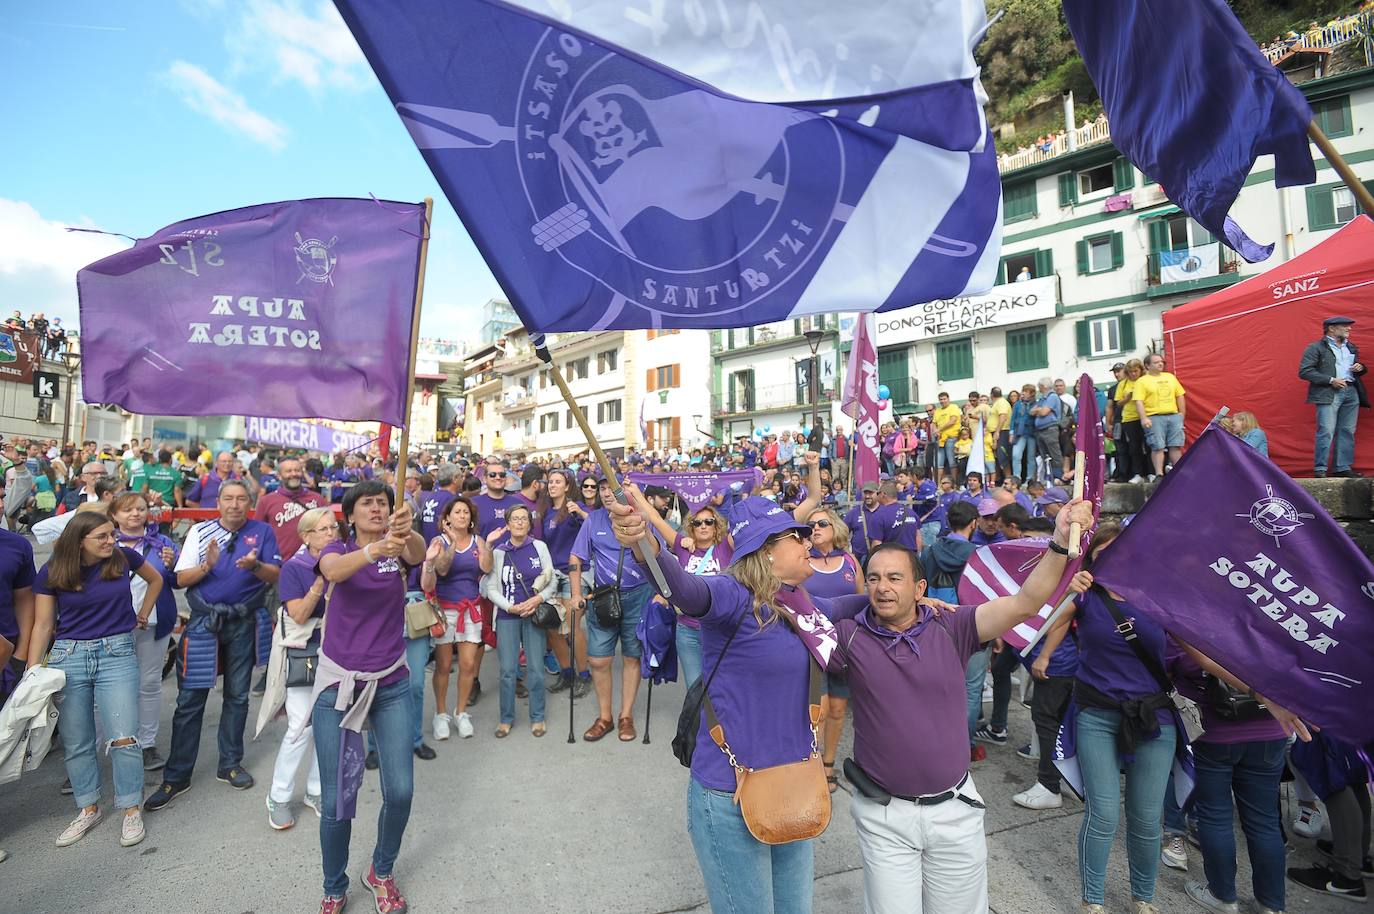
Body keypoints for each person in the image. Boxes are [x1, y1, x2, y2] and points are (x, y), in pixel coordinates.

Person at [828, 498, 1095, 914]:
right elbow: (795, 609)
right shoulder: (849, 636)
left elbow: (1026, 602)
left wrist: (1060, 542)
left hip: (955, 812)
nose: (883, 587)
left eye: (895, 578)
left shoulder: (953, 624)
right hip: (884, 817)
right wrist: (857, 602)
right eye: (875, 578)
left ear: (920, 588)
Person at [1059, 526, 1309, 914]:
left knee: (1145, 818)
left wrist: (1263, 694)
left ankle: (1143, 899)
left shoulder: (1159, 601)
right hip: (1096, 717)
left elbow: (1207, 657)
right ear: (1091, 561)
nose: (1114, 558)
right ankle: (1092, 900)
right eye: (1102, 553)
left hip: (1154, 720)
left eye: (1120, 550)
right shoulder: (1083, 599)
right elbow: (1037, 622)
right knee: (1103, 812)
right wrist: (1066, 587)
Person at [608, 492, 837, 914]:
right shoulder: (732, 595)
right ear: (767, 552)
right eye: (797, 536)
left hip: (794, 788)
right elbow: (687, 590)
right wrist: (647, 545)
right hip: (730, 795)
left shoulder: (802, 606)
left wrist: (918, 604)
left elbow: (856, 608)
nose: (810, 543)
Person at [306, 479, 425, 914]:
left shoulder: (401, 549)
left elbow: (418, 552)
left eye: (384, 503)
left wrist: (406, 530)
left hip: (391, 684)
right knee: (338, 803)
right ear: (350, 514)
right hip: (340, 687)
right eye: (368, 504)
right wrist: (376, 550)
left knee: (401, 792)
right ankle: (334, 886)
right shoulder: (334, 550)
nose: (377, 509)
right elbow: (334, 572)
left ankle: (381, 871)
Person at [27, 510, 163, 848]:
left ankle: (131, 808)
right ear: (79, 539)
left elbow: (156, 579)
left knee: (123, 737)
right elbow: (43, 625)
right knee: (77, 740)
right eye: (101, 536)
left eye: (111, 533)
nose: (110, 540)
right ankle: (88, 807)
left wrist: (143, 613)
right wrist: (32, 672)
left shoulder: (122, 558)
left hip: (117, 653)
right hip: (68, 656)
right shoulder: (54, 570)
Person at [146, 480, 281, 811]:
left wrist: (255, 566)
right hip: (204, 622)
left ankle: (230, 764)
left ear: (250, 502)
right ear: (218, 502)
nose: (235, 505)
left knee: (237, 697)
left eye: (241, 499)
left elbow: (274, 575)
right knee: (190, 700)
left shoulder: (262, 532)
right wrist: (206, 565)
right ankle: (176, 776)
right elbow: (179, 579)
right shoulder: (200, 532)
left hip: (245, 622)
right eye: (228, 499)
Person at [258, 507, 337, 830]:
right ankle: (278, 795)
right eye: (323, 529)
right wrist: (322, 583)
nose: (332, 534)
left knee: (329, 725)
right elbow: (300, 615)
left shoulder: (342, 559)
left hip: (336, 652)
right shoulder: (295, 567)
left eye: (334, 528)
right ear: (306, 536)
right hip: (303, 652)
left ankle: (315, 791)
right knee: (300, 726)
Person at [570, 476, 662, 742]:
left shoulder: (640, 518)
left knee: (632, 657)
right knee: (598, 659)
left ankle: (625, 716)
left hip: (639, 595)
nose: (607, 493)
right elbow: (577, 556)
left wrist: (660, 594)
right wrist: (576, 593)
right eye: (602, 488)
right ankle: (604, 717)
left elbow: (657, 554)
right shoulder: (593, 520)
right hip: (603, 597)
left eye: (612, 488)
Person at [109, 492, 179, 772]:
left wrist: (172, 564)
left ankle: (147, 743)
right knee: (108, 688)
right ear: (114, 514)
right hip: (111, 624)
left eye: (140, 509)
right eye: (127, 510)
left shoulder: (163, 542)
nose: (135, 514)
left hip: (154, 622)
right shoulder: (102, 540)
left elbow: (174, 581)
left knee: (149, 684)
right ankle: (104, 746)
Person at [480, 503, 555, 737]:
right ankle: (506, 718)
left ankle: (538, 716)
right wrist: (510, 607)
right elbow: (491, 588)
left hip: (534, 613)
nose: (520, 522)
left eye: (524, 518)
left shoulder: (539, 547)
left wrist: (537, 600)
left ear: (530, 524)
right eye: (515, 519)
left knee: (535, 668)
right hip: (507, 615)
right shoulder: (500, 552)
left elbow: (551, 580)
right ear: (508, 524)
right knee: (507, 670)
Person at [643, 500, 734, 689]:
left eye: (709, 522)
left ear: (717, 525)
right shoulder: (681, 546)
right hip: (688, 632)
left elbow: (749, 527)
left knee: (721, 687)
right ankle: (699, 720)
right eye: (697, 523)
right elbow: (656, 520)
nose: (703, 526)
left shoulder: (726, 547)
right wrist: (634, 491)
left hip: (720, 630)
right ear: (690, 526)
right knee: (695, 690)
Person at [804, 507, 862, 794]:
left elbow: (863, 599)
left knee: (839, 709)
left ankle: (828, 763)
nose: (815, 528)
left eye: (821, 523)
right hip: (813, 646)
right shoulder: (802, 560)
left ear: (835, 527)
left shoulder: (850, 561)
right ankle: (811, 764)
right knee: (821, 711)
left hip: (846, 646)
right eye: (810, 524)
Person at [538, 469, 590, 696]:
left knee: (571, 625)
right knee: (552, 626)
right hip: (552, 574)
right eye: (550, 482)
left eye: (558, 482)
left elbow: (595, 527)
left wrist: (580, 511)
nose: (553, 485)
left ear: (568, 486)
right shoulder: (546, 512)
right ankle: (567, 673)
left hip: (574, 574)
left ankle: (585, 674)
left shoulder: (575, 509)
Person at [1299, 315, 1367, 477]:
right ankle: (1320, 469)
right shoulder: (1315, 348)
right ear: (1331, 328)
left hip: (1351, 390)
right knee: (1326, 430)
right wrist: (1331, 380)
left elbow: (1359, 369)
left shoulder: (1350, 347)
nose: (1349, 328)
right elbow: (1304, 371)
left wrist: (1360, 367)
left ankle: (1342, 468)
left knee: (1347, 430)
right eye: (1345, 326)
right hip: (1329, 391)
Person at [255, 457, 328, 561]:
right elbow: (257, 533)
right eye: (288, 471)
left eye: (297, 470)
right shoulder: (266, 501)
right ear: (279, 476)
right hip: (280, 566)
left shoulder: (317, 499)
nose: (294, 474)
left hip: (313, 565)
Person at [0, 503, 35, 710]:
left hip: (6, 660)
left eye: (2, 496)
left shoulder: (17, 545)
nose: (2, 505)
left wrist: (20, 656)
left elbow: (25, 599)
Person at [1134, 354, 1187, 478]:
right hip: (1154, 416)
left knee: (1176, 445)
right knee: (1158, 446)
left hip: (1173, 415)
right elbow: (1139, 401)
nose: (1160, 364)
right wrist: (1144, 418)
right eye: (1156, 362)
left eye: (1161, 362)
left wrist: (1182, 413)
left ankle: (1178, 472)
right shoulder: (1142, 381)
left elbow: (1180, 395)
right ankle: (1159, 473)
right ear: (1147, 366)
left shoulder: (1170, 377)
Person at [1030, 378, 1064, 484]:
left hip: (1050, 429)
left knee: (1054, 453)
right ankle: (1049, 476)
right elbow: (1031, 412)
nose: (1038, 388)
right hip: (1040, 431)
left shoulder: (1052, 397)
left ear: (1043, 386)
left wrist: (1039, 410)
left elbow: (1044, 412)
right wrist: (1039, 410)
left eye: (1039, 386)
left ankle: (1058, 476)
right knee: (1045, 455)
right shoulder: (1042, 399)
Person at [1010, 383, 1037, 482]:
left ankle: (1030, 479)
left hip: (1031, 433)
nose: (1023, 393)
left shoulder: (1036, 404)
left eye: (1026, 392)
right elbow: (1013, 419)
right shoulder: (1017, 404)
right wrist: (1011, 433)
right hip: (1019, 433)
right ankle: (1017, 477)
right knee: (1016, 455)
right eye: (1023, 391)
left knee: (1031, 457)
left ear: (1032, 394)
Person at [933, 392, 963, 478]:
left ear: (948, 399)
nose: (942, 401)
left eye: (944, 399)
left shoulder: (954, 407)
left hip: (951, 437)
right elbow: (933, 423)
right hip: (940, 439)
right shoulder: (938, 411)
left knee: (952, 462)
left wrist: (939, 429)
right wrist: (935, 430)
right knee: (939, 463)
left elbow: (952, 421)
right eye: (941, 399)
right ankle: (939, 484)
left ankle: (954, 483)